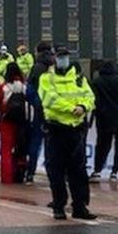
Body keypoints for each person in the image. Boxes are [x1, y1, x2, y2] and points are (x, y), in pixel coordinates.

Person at [40, 46, 96, 220]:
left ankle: (80, 206)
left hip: (75, 130)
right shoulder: (47, 78)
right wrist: (72, 109)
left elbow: (90, 97)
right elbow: (49, 99)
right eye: (60, 56)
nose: (63, 59)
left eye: (65, 56)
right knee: (55, 170)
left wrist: (83, 107)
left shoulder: (79, 78)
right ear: (54, 58)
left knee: (78, 171)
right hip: (56, 129)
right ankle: (59, 206)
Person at [88, 61, 118, 183]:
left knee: (102, 145)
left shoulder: (96, 82)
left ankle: (97, 170)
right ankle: (115, 172)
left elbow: (92, 98)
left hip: (103, 117)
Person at [0, 62, 29, 184]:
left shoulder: (3, 87)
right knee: (21, 148)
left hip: (7, 121)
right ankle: (19, 175)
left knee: (6, 151)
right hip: (22, 122)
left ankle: (6, 178)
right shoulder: (24, 87)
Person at [23, 42, 54, 184]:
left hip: (40, 111)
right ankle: (54, 174)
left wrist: (36, 103)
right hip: (56, 112)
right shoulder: (57, 67)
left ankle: (30, 173)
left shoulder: (36, 68)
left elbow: (29, 90)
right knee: (53, 145)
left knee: (35, 143)